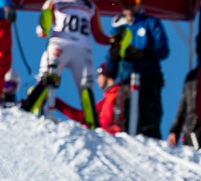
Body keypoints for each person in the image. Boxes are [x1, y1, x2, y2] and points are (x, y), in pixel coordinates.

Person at [21, 0, 110, 129]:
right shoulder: (55, 2)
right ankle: (27, 110)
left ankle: (92, 125)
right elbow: (42, 30)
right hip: (61, 45)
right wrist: (43, 25)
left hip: (81, 49)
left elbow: (98, 35)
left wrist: (113, 40)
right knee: (48, 77)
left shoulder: (90, 6)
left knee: (86, 86)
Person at [106, 0, 169, 138]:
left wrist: (142, 53)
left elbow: (163, 50)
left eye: (132, 2)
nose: (128, 6)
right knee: (123, 127)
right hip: (125, 83)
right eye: (124, 3)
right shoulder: (118, 27)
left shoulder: (150, 23)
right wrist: (112, 61)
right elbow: (111, 61)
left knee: (149, 127)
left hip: (148, 81)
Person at [52, 62, 120, 134]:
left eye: (98, 75)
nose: (97, 80)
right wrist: (55, 102)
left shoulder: (120, 94)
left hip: (119, 140)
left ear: (105, 73)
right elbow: (83, 116)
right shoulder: (104, 102)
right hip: (106, 140)